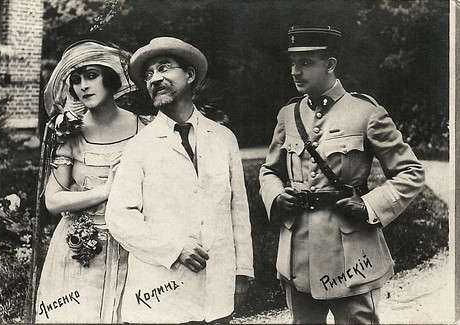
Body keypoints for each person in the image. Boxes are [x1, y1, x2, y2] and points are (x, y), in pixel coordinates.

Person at [259, 26, 425, 324]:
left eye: (306, 63)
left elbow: (410, 172)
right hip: (297, 250)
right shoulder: (288, 115)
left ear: (330, 65)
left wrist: (370, 205)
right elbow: (269, 170)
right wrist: (276, 196)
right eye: (293, 63)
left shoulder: (365, 112)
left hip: (350, 251)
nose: (295, 71)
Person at [105, 37, 254, 324]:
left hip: (216, 291)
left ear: (189, 75)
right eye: (148, 75)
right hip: (161, 293)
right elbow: (119, 218)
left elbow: (238, 210)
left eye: (164, 68)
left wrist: (243, 271)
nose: (155, 79)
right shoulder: (139, 146)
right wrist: (175, 248)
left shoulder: (222, 139)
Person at [36, 40, 146, 323]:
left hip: (132, 246)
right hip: (80, 247)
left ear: (110, 79)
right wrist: (104, 191)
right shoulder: (71, 134)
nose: (83, 86)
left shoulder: (144, 127)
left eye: (91, 75)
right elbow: (53, 200)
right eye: (76, 80)